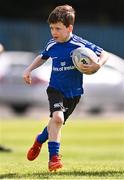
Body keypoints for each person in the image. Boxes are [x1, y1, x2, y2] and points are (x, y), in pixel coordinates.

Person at [23, 4, 109, 172]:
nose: (54, 32)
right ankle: (53, 159)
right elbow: (43, 56)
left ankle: (40, 139)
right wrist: (28, 69)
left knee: (55, 123)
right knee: (58, 119)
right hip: (55, 89)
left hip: (74, 93)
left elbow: (104, 53)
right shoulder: (52, 44)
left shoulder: (80, 45)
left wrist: (98, 64)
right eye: (51, 28)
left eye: (58, 28)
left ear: (70, 28)